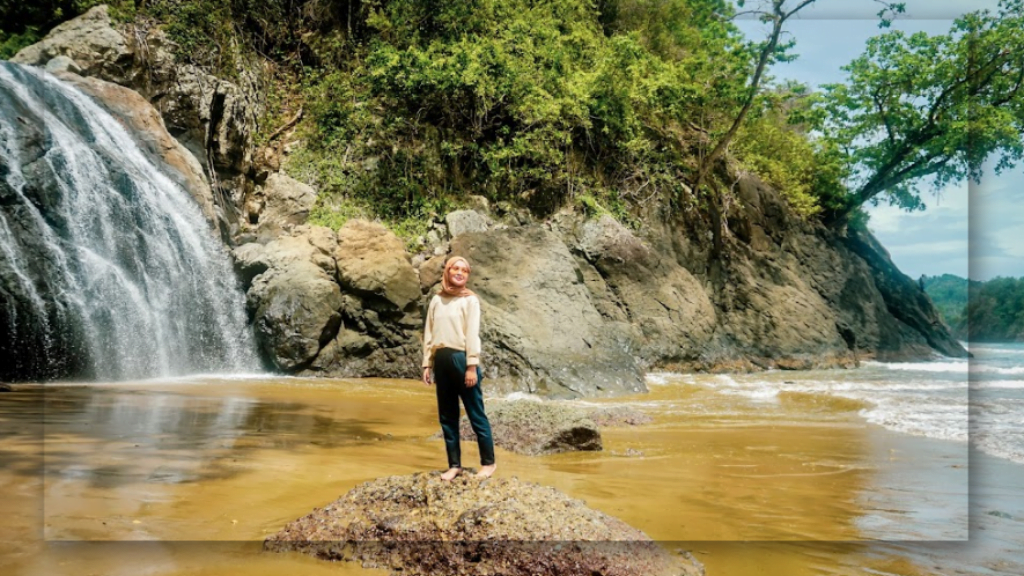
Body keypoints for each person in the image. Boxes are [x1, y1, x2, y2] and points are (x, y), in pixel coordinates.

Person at [422, 256, 497, 480]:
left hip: (462, 359)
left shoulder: (470, 301)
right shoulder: (437, 300)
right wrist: (427, 363)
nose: (460, 273)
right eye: (455, 268)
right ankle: (454, 465)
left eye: (464, 271)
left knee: (476, 414)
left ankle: (489, 463)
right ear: (447, 271)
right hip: (441, 360)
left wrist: (472, 366)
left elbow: (472, 333)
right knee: (447, 416)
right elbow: (429, 332)